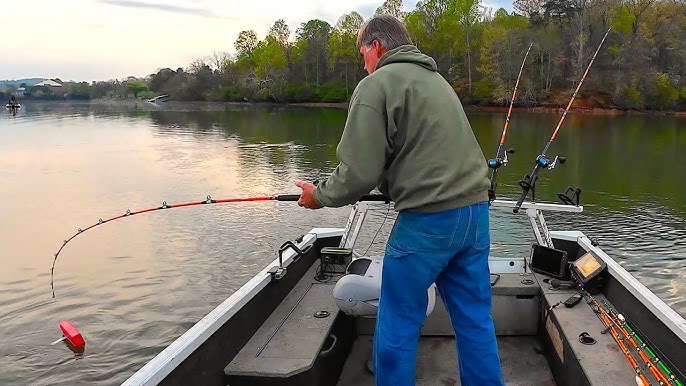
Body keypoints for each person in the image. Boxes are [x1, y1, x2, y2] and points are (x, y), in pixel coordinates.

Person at [294, 14, 504, 386]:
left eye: (362, 53)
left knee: (397, 322)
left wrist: (319, 195)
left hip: (428, 222)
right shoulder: (437, 81)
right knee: (474, 320)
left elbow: (358, 174)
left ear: (377, 46)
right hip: (475, 215)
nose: (363, 63)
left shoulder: (377, 85)